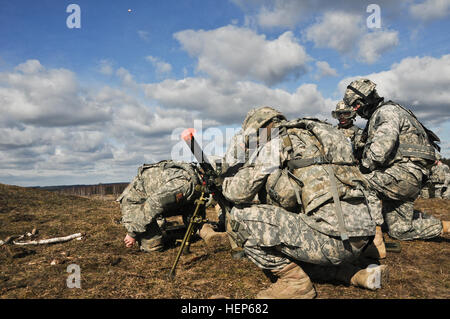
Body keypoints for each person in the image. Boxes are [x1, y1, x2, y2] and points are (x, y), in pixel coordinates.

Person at [222, 106, 388, 299]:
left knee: (240, 217)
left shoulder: (275, 143)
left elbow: (239, 194)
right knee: (301, 229)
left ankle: (295, 284)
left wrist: (227, 179)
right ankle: (355, 274)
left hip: (332, 242)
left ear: (258, 129)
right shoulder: (323, 135)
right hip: (363, 237)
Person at [343, 78, 449, 241]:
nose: (357, 111)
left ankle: (374, 237)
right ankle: (446, 227)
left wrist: (362, 169)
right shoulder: (389, 112)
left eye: (357, 105)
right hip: (405, 177)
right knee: (400, 230)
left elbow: (381, 149)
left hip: (403, 175)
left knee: (357, 182)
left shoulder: (386, 112)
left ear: (366, 97)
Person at [117, 160, 229, 252]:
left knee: (194, 215)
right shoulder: (184, 184)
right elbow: (152, 205)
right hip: (137, 206)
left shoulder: (198, 181)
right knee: (153, 247)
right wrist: (132, 233)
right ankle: (153, 230)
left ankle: (209, 234)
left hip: (158, 201)